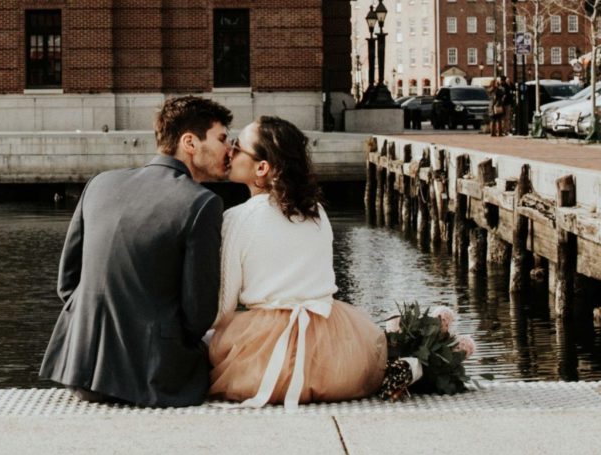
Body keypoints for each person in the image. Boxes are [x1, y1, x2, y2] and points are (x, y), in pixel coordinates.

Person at [40, 95, 231, 407]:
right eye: (222, 138)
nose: (229, 149)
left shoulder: (100, 183)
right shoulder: (202, 203)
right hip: (152, 380)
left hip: (79, 372)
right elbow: (198, 316)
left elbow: (67, 283)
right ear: (190, 142)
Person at [208, 116, 387, 408]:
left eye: (238, 147)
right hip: (336, 352)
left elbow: (223, 310)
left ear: (261, 168)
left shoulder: (238, 219)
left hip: (263, 354)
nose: (230, 151)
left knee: (211, 343)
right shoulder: (316, 212)